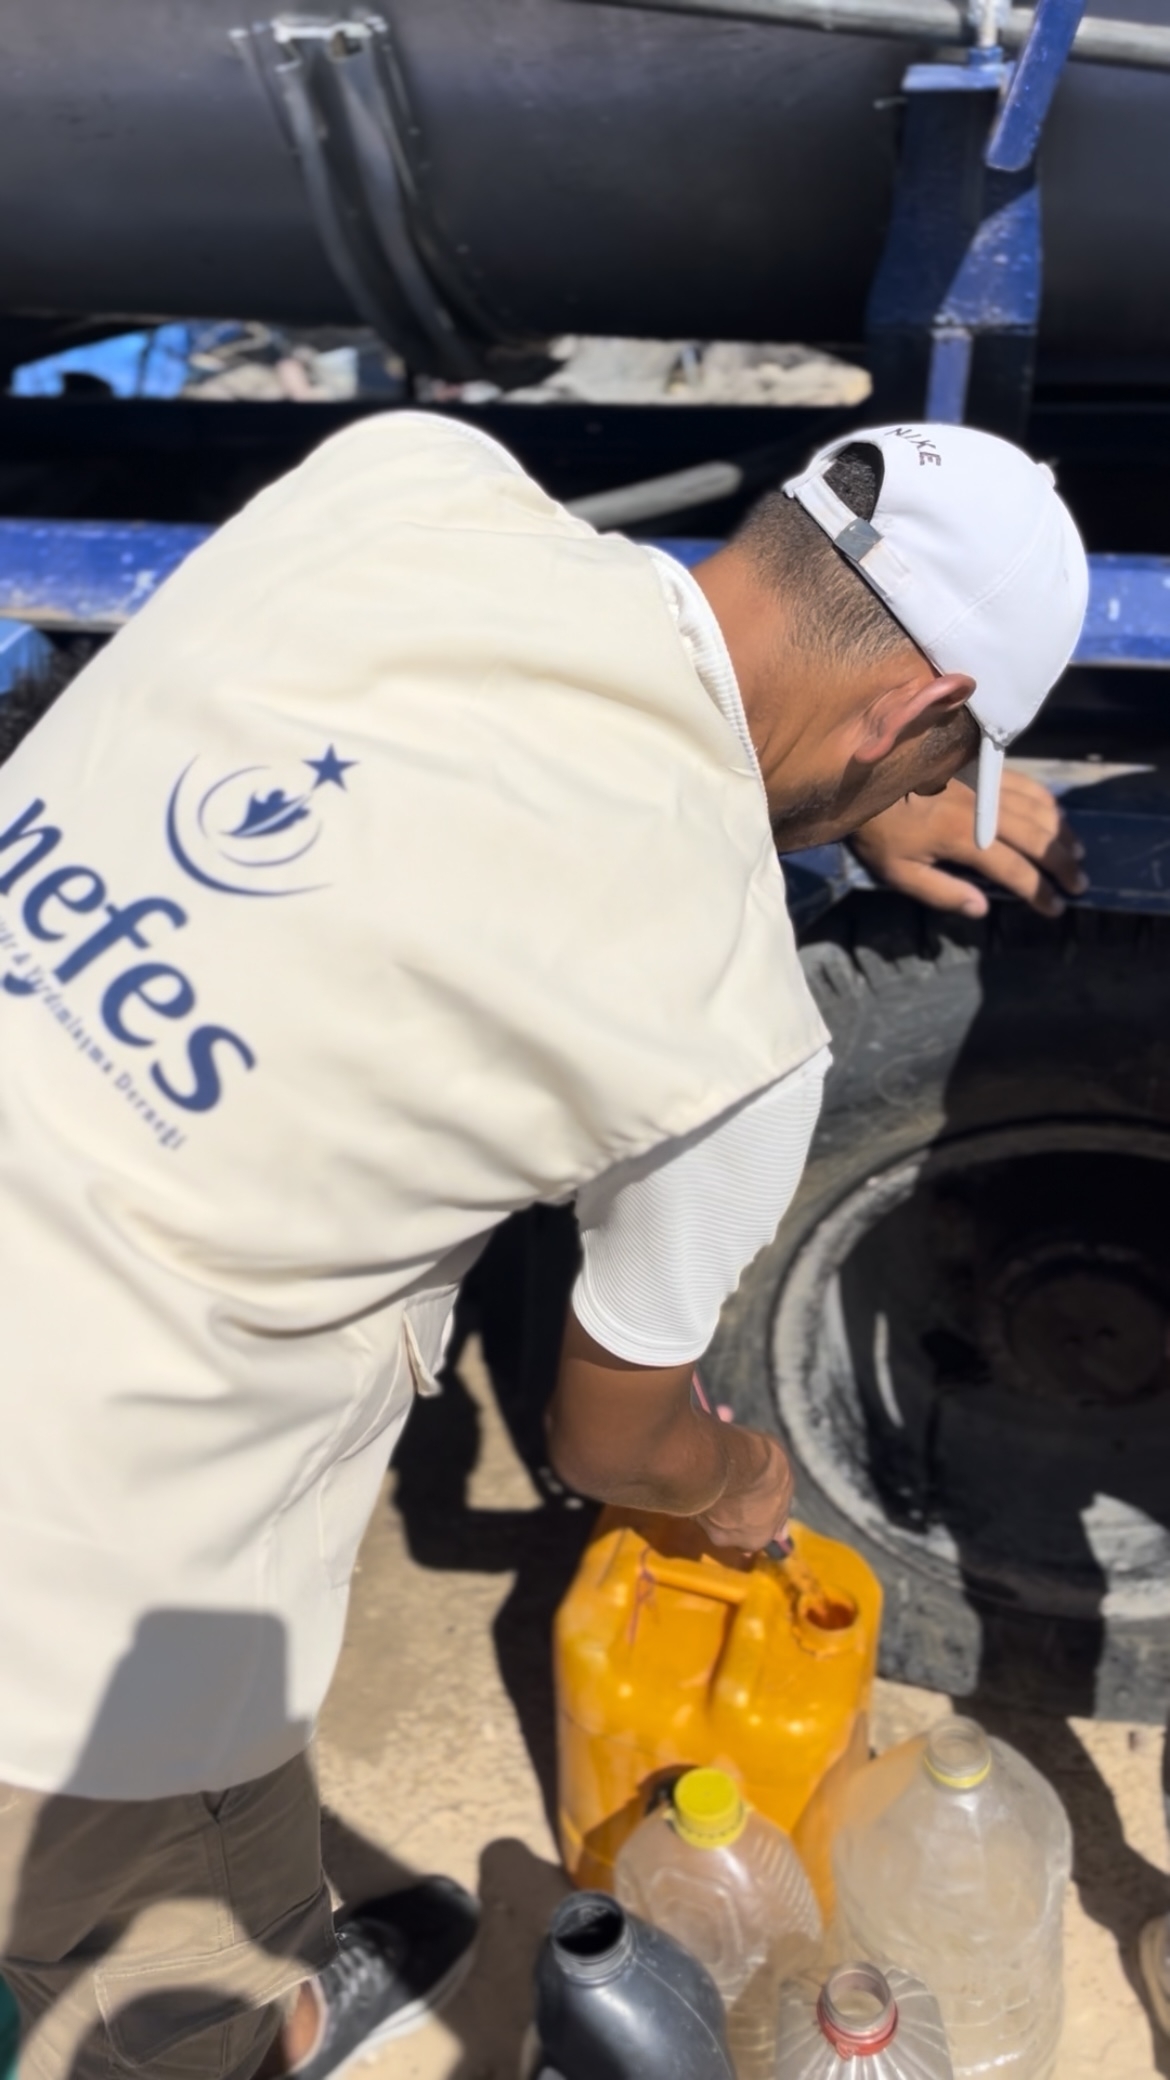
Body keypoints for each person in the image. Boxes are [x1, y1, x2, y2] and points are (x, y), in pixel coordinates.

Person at [0, 413, 1087, 2080]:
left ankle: (284, 1970)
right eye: (939, 764)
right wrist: (733, 1481)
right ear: (912, 711)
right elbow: (607, 1441)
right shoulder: (731, 1028)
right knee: (154, 1972)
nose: (930, 798)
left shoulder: (406, 474)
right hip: (64, 1591)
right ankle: (256, 2027)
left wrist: (818, 794)